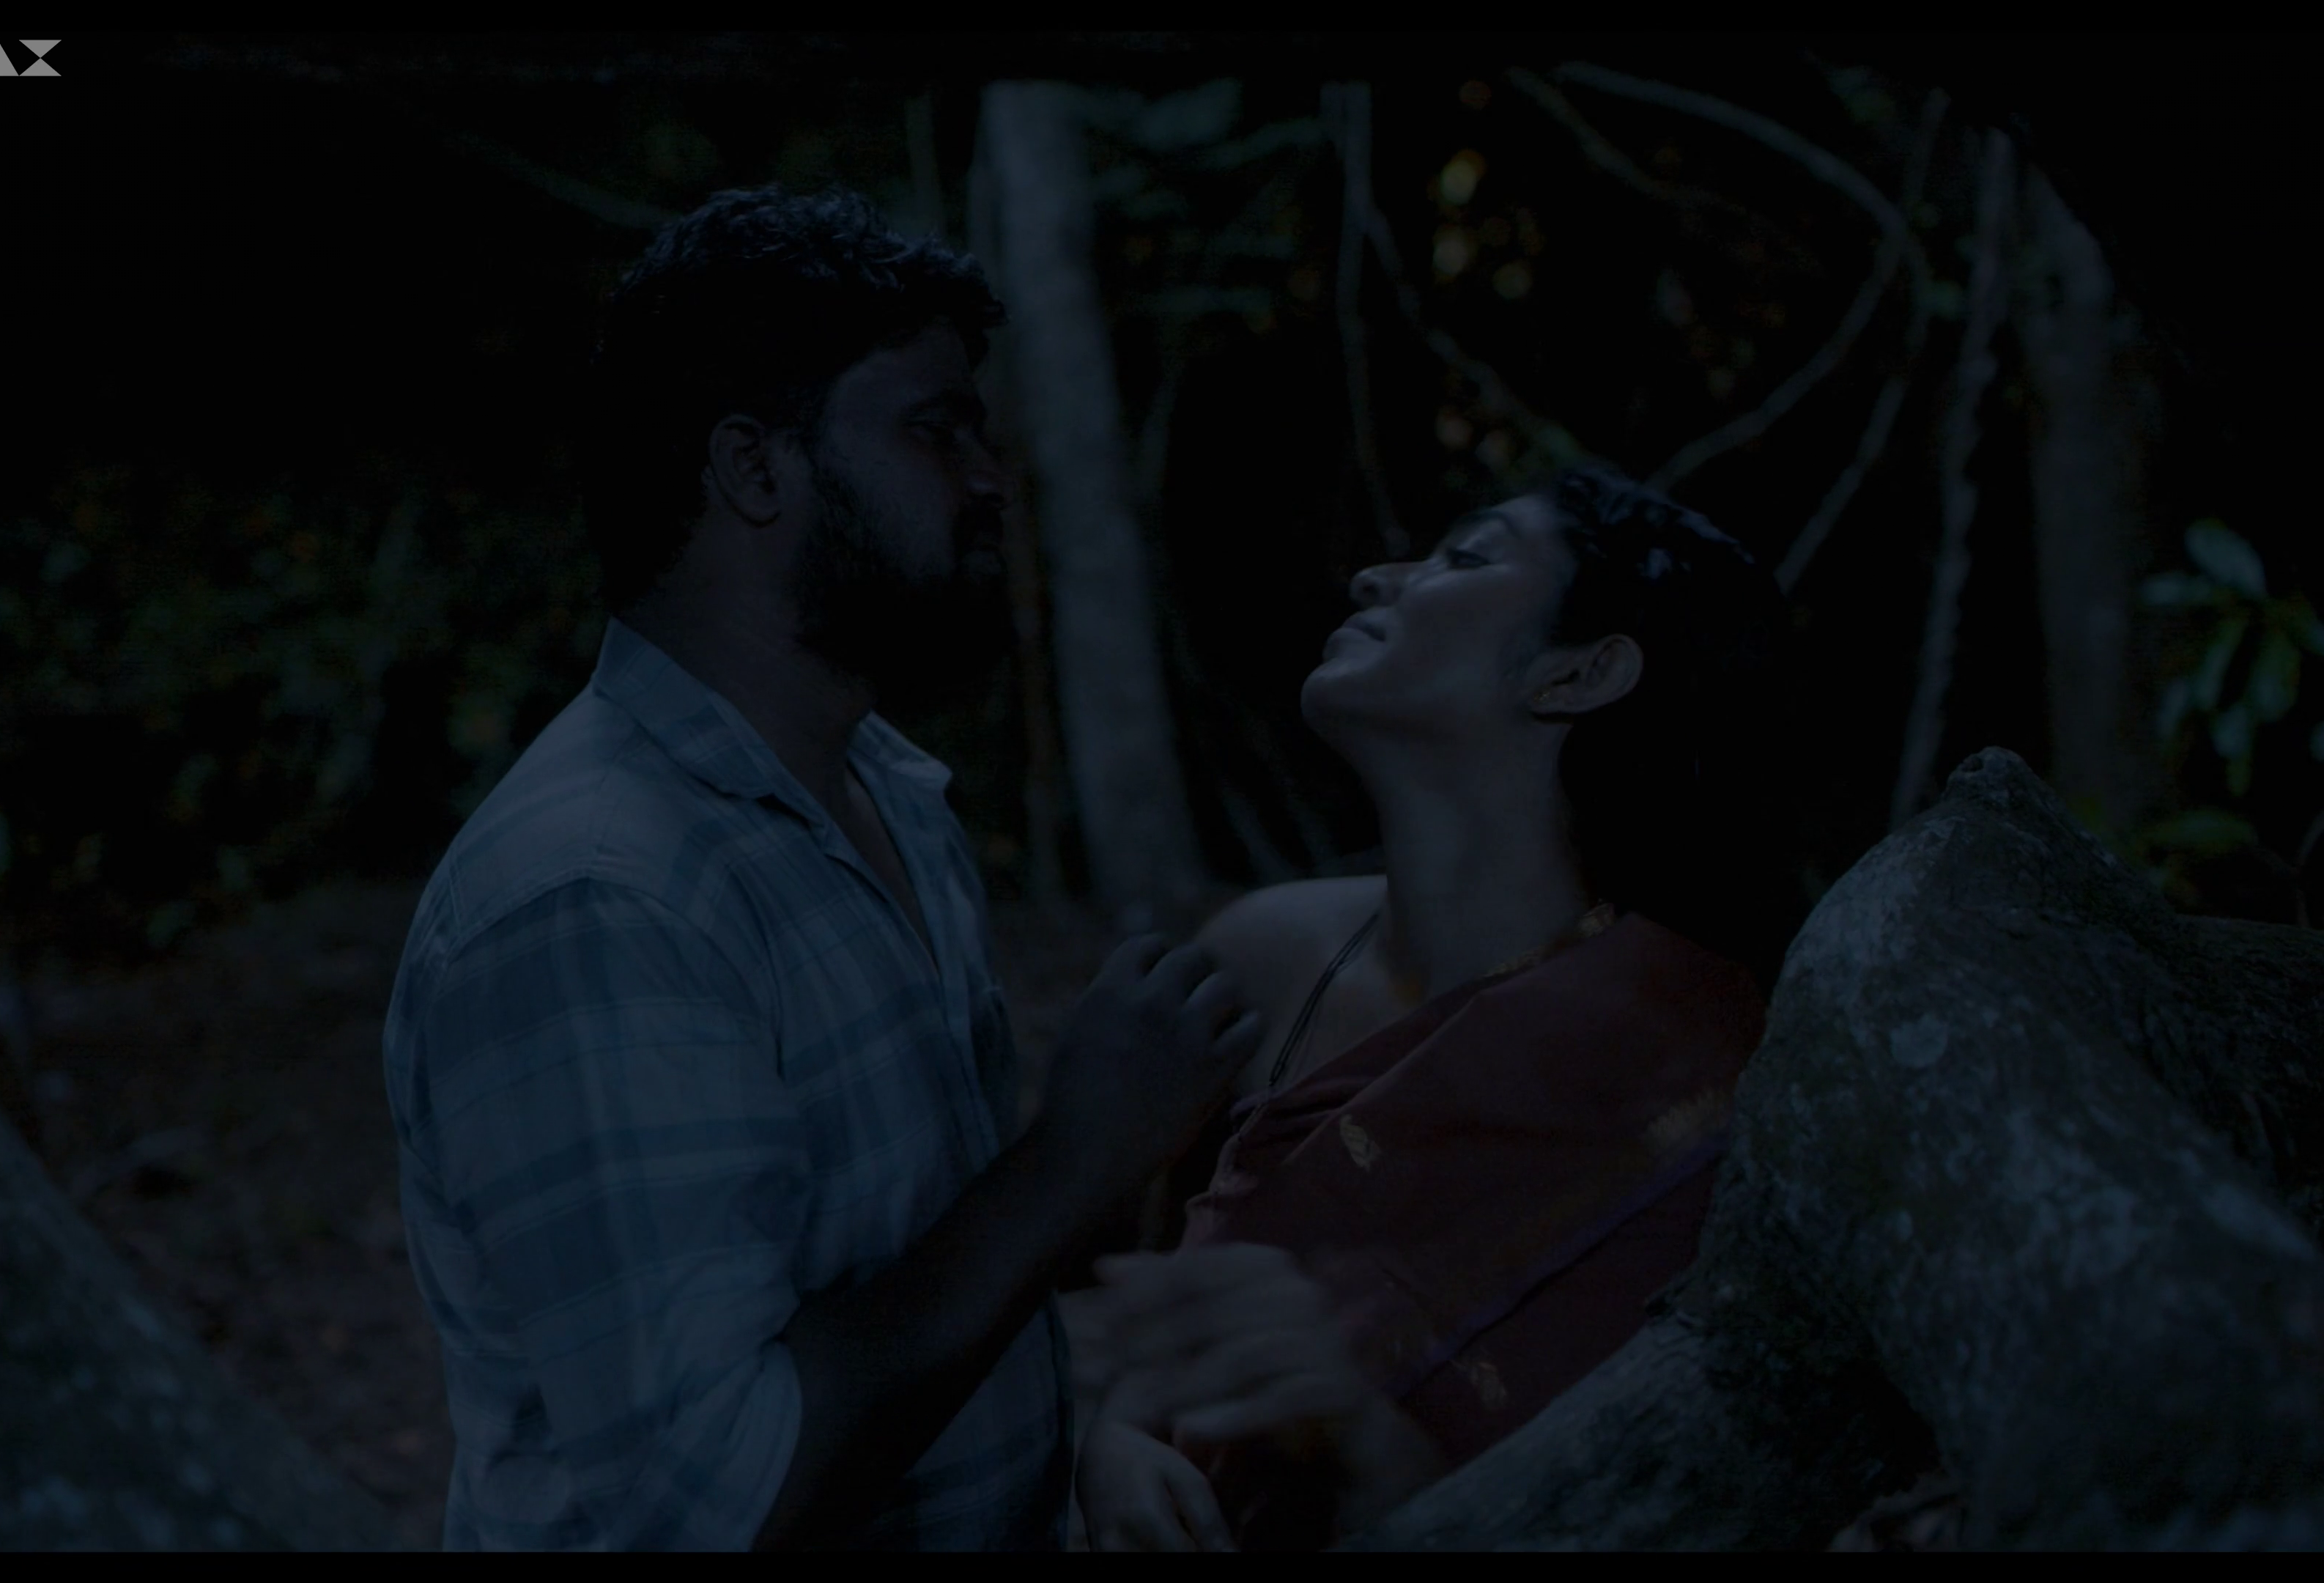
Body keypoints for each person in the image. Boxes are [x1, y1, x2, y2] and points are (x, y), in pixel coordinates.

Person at [382, 187, 1264, 1551]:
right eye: (934, 429)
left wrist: (1105, 1413)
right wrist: (1074, 1155)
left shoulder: (894, 798)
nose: (989, 478)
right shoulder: (594, 899)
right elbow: (719, 1505)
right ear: (754, 470)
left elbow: (937, 1283)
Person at [1073, 467, 1802, 1550]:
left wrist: (1366, 1448)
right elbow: (1094, 1312)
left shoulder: (1694, 1071)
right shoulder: (1262, 958)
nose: (1377, 576)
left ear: (1581, 673)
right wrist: (1106, 1438)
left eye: (1466, 557)